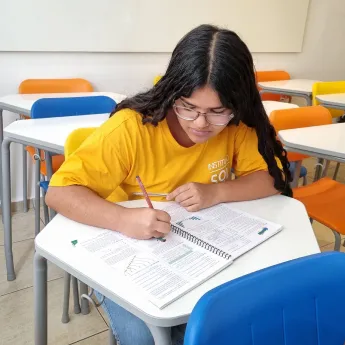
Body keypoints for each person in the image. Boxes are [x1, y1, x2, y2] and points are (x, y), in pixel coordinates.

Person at [46, 24, 292, 345]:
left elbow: (272, 180)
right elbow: (59, 193)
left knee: (228, 323)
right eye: (188, 107)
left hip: (199, 251)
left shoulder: (239, 124)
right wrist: (123, 219)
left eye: (217, 111)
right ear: (172, 92)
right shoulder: (132, 128)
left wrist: (216, 191)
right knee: (143, 337)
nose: (201, 123)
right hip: (132, 250)